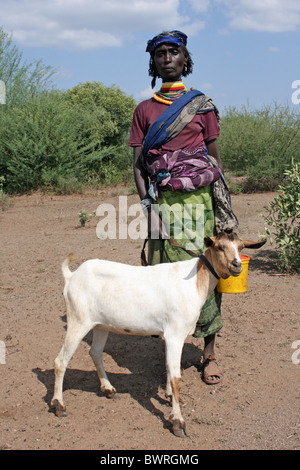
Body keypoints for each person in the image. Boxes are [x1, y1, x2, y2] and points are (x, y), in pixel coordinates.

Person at [128, 30, 226, 385]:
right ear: (152, 62)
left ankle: (209, 352)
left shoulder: (203, 105)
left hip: (201, 205)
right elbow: (139, 166)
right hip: (164, 206)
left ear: (186, 59)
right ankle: (172, 348)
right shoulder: (144, 110)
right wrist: (148, 208)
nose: (167, 57)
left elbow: (215, 162)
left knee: (208, 276)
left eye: (174, 52)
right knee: (167, 279)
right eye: (160, 54)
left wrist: (224, 209)